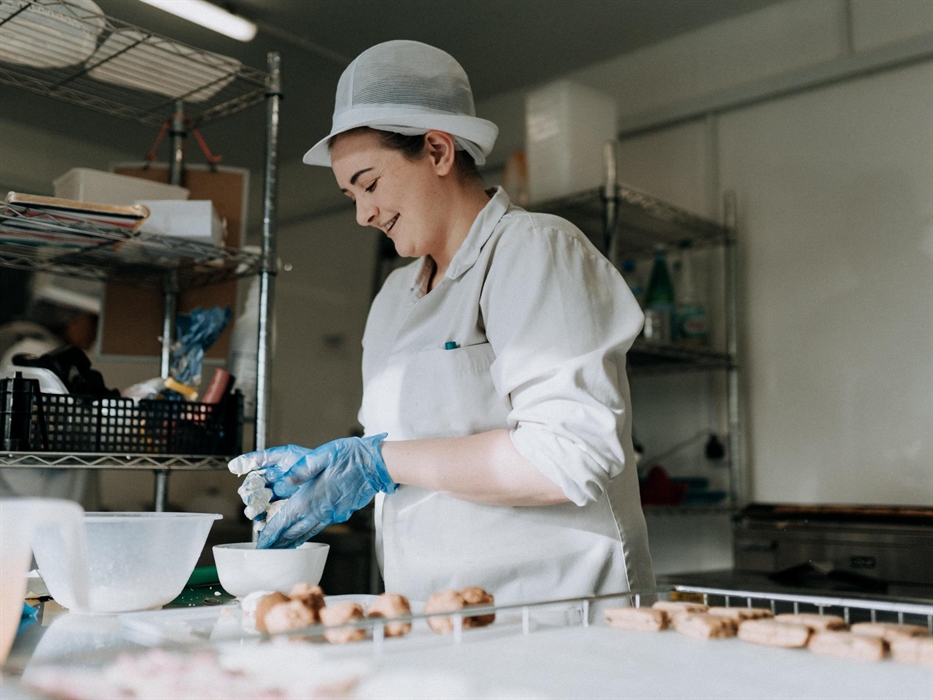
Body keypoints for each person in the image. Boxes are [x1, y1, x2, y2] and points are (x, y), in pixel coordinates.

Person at [229, 40, 655, 605]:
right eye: (350, 195)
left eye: (369, 183)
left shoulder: (533, 249)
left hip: (554, 615)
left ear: (437, 150)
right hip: (428, 616)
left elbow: (567, 458)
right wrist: (331, 475)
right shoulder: (392, 297)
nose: (363, 214)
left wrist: (374, 463)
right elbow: (406, 456)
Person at [0, 273, 101, 500]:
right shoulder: (36, 356)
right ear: (67, 313)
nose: (96, 331)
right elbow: (49, 433)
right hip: (33, 501)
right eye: (93, 320)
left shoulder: (42, 352)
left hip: (41, 501)